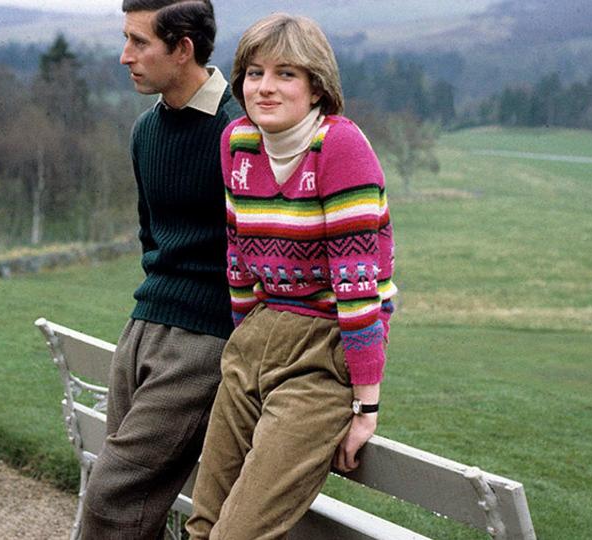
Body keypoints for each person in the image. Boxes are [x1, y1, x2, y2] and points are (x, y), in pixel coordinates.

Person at [185, 13, 397, 539]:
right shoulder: (237, 142)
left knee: (238, 534)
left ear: (316, 85)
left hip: (321, 354)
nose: (266, 87)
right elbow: (236, 251)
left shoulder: (339, 148)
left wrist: (366, 404)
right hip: (256, 338)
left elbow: (357, 288)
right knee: (202, 523)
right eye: (254, 73)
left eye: (286, 74)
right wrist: (243, 339)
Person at [78, 1, 243, 538]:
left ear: (183, 48)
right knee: (127, 498)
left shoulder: (240, 131)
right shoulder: (145, 132)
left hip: (206, 340)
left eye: (139, 42)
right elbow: (152, 236)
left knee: (113, 496)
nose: (125, 57)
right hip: (143, 326)